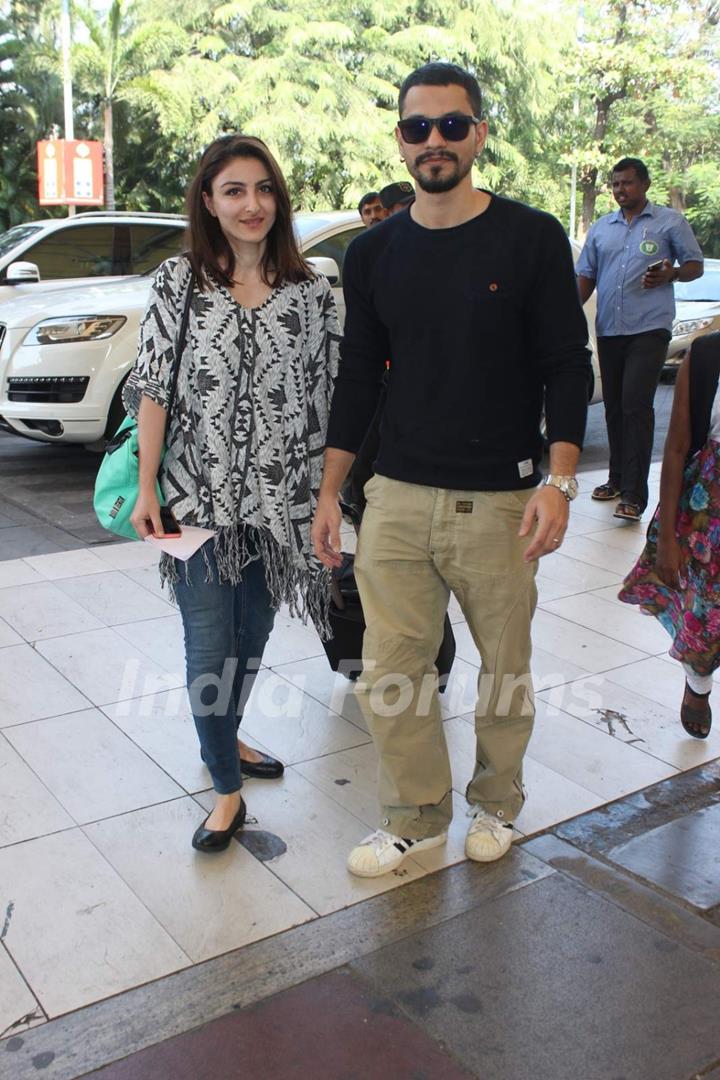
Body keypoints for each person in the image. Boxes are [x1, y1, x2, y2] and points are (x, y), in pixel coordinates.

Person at [311, 62, 591, 878]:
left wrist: (560, 481)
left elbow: (565, 364)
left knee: (505, 668)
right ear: (400, 138)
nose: (434, 141)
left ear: (479, 134)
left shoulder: (531, 236)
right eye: (417, 127)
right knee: (392, 672)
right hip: (394, 493)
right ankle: (416, 816)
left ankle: (496, 804)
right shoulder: (373, 253)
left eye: (451, 125)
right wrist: (332, 491)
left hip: (503, 499)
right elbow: (360, 373)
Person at [124, 134, 339, 852]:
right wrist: (149, 483)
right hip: (193, 500)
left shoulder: (312, 291)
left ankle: (229, 736)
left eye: (264, 190)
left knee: (251, 639)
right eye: (234, 192)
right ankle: (226, 790)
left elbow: (327, 396)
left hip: (279, 505)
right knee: (209, 645)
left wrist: (330, 497)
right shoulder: (177, 281)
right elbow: (153, 386)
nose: (252, 205)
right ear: (209, 204)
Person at [577, 157, 703, 521]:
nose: (620, 190)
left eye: (627, 183)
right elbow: (585, 276)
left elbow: (694, 265)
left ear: (645, 184)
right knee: (615, 406)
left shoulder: (668, 222)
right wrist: (566, 314)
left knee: (636, 404)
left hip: (650, 327)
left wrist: (672, 274)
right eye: (615, 184)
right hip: (610, 328)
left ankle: (634, 494)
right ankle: (615, 479)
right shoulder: (602, 229)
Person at [619, 332, 720, 739]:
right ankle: (698, 684)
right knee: (706, 613)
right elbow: (677, 447)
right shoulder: (708, 354)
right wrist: (666, 541)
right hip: (708, 515)